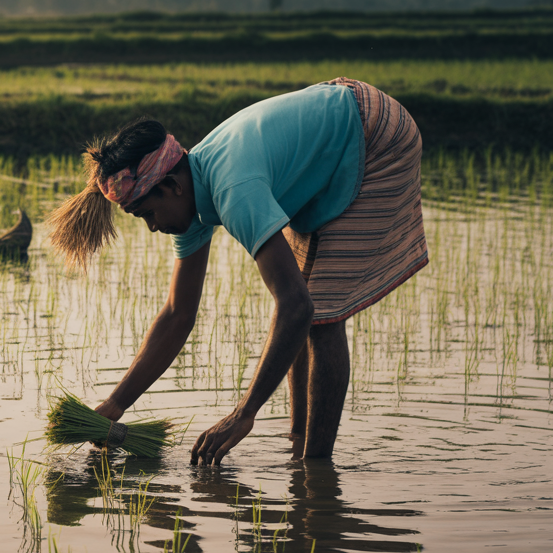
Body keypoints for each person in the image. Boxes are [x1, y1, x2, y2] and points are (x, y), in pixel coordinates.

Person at [48, 78, 427, 464]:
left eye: (148, 214)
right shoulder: (193, 193)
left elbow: (297, 307)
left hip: (376, 134)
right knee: (307, 302)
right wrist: (115, 404)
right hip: (339, 125)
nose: (153, 226)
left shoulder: (234, 188)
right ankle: (300, 445)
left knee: (320, 314)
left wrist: (244, 413)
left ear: (171, 186)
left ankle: (315, 475)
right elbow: (179, 315)